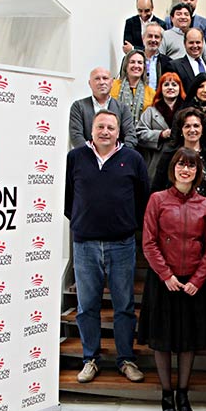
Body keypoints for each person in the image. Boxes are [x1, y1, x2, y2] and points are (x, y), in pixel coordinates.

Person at [65, 109, 150, 385]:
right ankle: (90, 359)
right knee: (86, 306)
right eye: (100, 126)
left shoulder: (133, 159)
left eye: (110, 128)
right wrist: (84, 221)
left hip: (121, 245)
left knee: (124, 306)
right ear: (91, 130)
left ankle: (126, 359)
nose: (105, 132)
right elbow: (67, 199)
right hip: (85, 246)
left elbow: (142, 200)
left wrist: (124, 224)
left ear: (118, 132)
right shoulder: (75, 157)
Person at [138, 148, 206, 411]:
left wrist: (197, 279)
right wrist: (166, 275)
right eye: (181, 165)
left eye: (191, 166)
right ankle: (166, 394)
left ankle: (183, 393)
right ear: (173, 169)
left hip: (191, 283)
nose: (185, 170)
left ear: (197, 172)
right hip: (163, 281)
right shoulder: (157, 199)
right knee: (162, 341)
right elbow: (149, 242)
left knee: (187, 341)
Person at [152, 107, 206, 204]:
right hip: (173, 209)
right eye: (187, 126)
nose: (192, 130)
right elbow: (157, 187)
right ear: (181, 130)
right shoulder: (169, 155)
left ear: (202, 129)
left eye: (196, 126)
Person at [69, 67, 137, 149]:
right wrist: (89, 154)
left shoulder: (123, 108)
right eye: (97, 79)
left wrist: (120, 154)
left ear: (112, 82)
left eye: (105, 78)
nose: (102, 82)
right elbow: (76, 135)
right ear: (90, 83)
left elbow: (130, 136)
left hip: (117, 155)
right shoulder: (78, 106)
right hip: (86, 155)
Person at [136, 72, 186, 179]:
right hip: (157, 162)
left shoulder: (187, 111)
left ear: (180, 88)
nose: (170, 87)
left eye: (174, 85)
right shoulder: (150, 111)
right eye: (166, 84)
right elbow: (139, 133)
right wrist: (160, 135)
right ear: (160, 88)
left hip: (182, 160)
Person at [111, 49, 155, 126]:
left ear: (144, 67)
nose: (136, 66)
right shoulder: (112, 86)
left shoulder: (151, 93)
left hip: (141, 132)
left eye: (140, 63)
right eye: (132, 62)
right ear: (126, 65)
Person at [140, 22, 172, 91]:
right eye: (150, 36)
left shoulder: (168, 62)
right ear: (143, 38)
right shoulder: (132, 60)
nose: (153, 40)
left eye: (157, 37)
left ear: (161, 40)